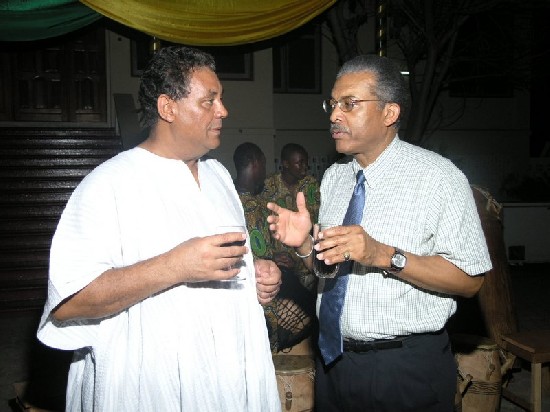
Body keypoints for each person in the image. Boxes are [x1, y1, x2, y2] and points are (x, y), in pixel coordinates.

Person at [36, 46, 282, 412]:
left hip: (226, 384)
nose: (223, 111)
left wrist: (257, 274)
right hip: (150, 389)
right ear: (168, 108)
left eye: (222, 99)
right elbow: (69, 303)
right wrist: (175, 266)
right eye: (209, 101)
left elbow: (221, 262)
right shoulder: (110, 183)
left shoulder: (218, 177)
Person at [266, 54, 492, 412]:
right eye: (333, 103)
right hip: (335, 363)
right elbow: (330, 272)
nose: (334, 115)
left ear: (390, 113)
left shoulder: (439, 178)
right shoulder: (336, 178)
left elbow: (470, 280)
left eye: (349, 104)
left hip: (404, 369)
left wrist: (383, 255)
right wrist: (307, 245)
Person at [233, 142, 316, 353]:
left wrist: (274, 255)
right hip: (261, 294)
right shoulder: (243, 204)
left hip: (286, 270)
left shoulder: (240, 199)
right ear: (256, 163)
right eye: (263, 161)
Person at [263, 143, 320, 291]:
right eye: (299, 162)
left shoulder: (311, 185)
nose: (304, 166)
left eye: (305, 162)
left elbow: (318, 220)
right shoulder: (268, 186)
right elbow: (262, 223)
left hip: (308, 263)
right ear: (286, 164)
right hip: (281, 265)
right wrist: (270, 258)